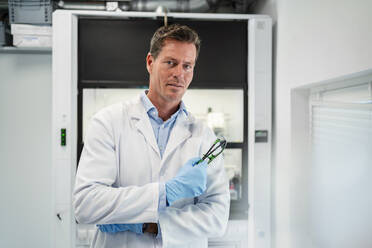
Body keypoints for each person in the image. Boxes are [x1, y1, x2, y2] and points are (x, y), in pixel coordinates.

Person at [73, 24, 230, 248]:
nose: (179, 73)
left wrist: (152, 226)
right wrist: (165, 193)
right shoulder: (108, 122)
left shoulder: (203, 135)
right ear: (150, 62)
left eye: (188, 66)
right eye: (171, 63)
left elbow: (217, 216)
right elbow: (86, 204)